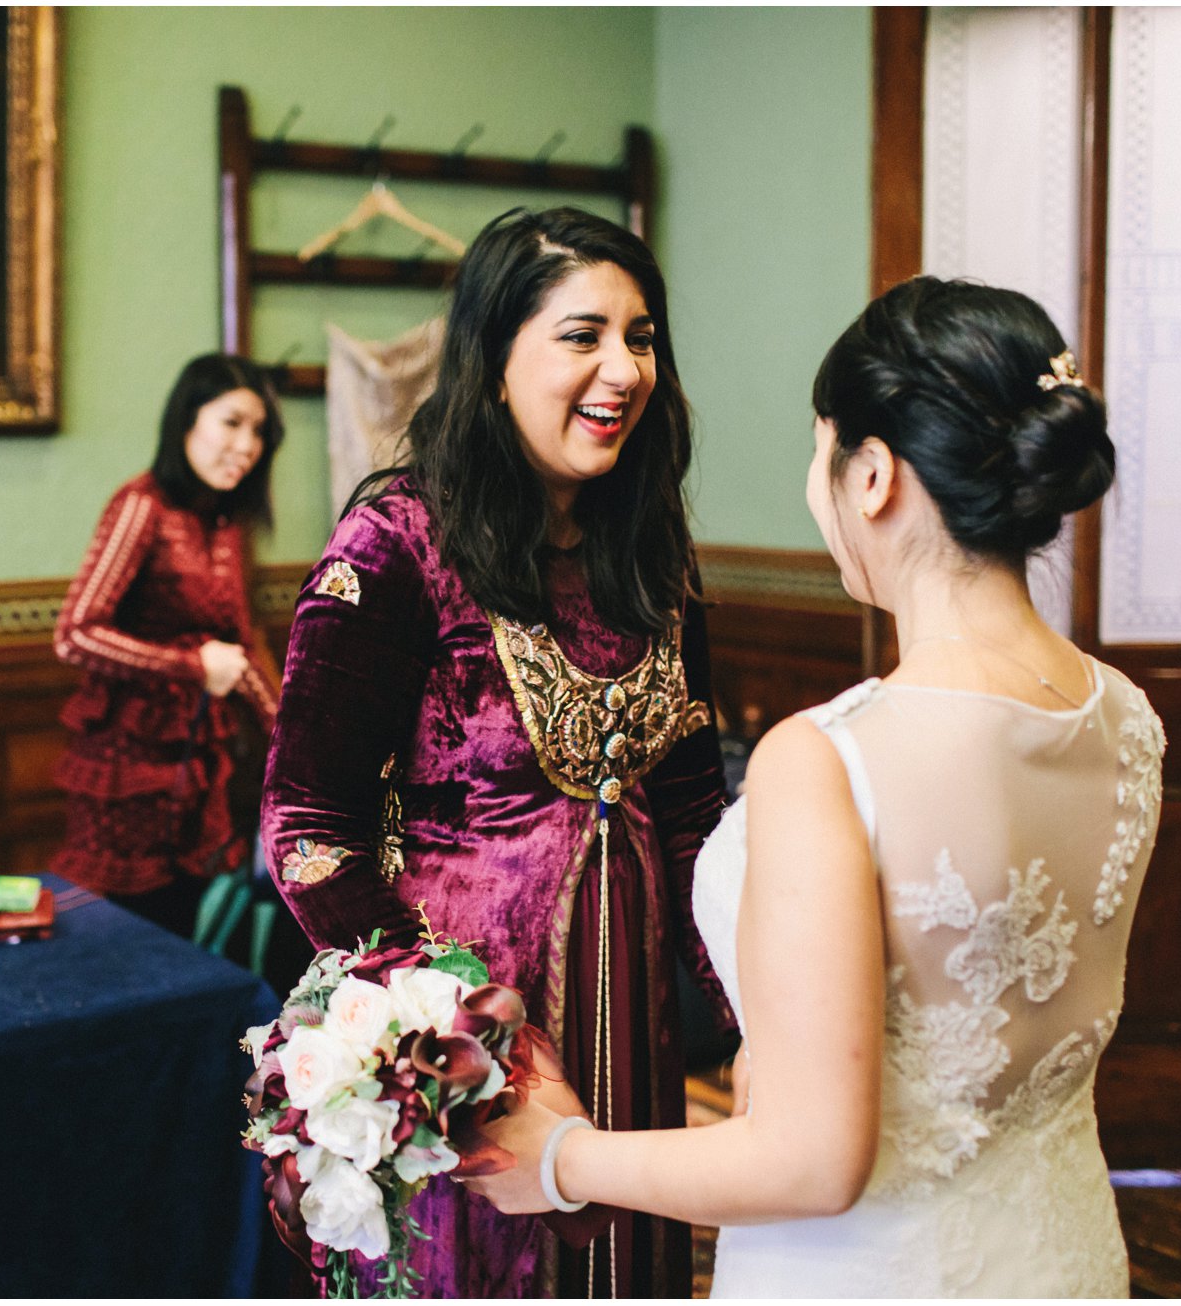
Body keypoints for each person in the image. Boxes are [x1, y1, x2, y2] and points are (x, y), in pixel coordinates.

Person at [470, 277, 1165, 1299]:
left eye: (820, 448)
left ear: (873, 474)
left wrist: (558, 1158)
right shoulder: (1126, 716)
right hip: (1063, 1257)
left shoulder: (828, 759)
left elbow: (811, 1160)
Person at [259, 207, 733, 1298]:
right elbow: (308, 829)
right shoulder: (395, 546)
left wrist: (762, 1016)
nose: (623, 367)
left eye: (643, 335)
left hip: (634, 1022)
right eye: (583, 334)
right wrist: (463, 1032)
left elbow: (700, 812)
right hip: (463, 1048)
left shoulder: (651, 551)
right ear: (493, 356)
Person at [50, 354, 284, 938]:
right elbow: (75, 633)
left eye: (259, 432)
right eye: (231, 423)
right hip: (127, 762)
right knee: (128, 928)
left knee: (188, 921)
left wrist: (293, 742)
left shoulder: (226, 521)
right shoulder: (142, 503)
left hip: (201, 761)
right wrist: (190, 667)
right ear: (187, 421)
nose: (247, 446)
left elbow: (238, 649)